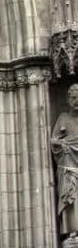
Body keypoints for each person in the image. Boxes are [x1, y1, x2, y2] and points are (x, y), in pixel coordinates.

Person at [51, 84, 78, 235]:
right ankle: (72, 232)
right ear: (68, 99)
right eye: (73, 98)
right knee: (71, 198)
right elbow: (53, 141)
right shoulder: (63, 118)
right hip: (68, 167)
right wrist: (63, 144)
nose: (76, 101)